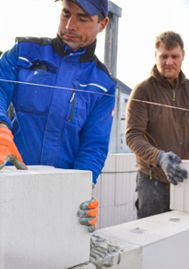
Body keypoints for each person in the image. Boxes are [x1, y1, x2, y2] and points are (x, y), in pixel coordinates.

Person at [0, 0, 116, 232]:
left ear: (102, 24)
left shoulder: (103, 84)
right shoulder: (23, 53)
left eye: (82, 19)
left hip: (58, 194)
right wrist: (1, 132)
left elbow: (93, 147)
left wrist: (82, 190)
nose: (70, 25)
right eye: (66, 14)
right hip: (9, 183)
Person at [126, 31, 189, 219]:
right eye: (164, 56)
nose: (169, 62)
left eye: (174, 56)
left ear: (183, 56)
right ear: (156, 56)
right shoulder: (142, 91)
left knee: (187, 236)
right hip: (153, 182)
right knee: (152, 236)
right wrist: (159, 157)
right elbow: (133, 135)